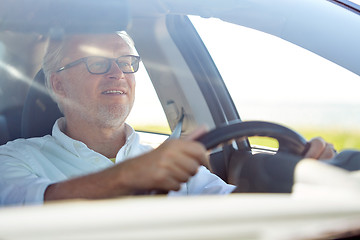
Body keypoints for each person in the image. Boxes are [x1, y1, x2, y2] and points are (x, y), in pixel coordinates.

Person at [0, 32, 336, 206]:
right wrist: (129, 177)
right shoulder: (14, 158)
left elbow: (228, 207)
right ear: (58, 84)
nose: (118, 73)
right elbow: (28, 207)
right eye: (98, 62)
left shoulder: (166, 157)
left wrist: (289, 178)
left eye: (127, 62)